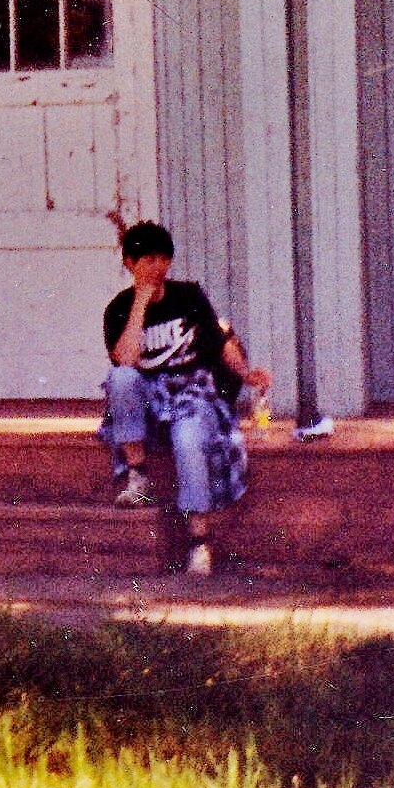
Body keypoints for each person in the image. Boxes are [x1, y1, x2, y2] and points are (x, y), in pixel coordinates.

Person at [97, 221, 267, 576]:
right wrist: (141, 303)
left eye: (163, 258)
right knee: (121, 378)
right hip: (149, 397)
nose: (156, 267)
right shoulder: (118, 309)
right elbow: (125, 359)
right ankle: (138, 476)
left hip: (192, 390)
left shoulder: (188, 295)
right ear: (129, 262)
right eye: (147, 259)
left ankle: (199, 542)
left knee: (188, 438)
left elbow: (222, 343)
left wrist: (244, 373)